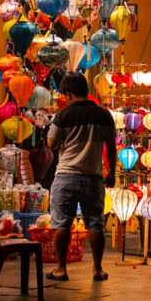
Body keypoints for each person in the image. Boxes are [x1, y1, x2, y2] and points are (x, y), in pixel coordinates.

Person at [46, 72, 115, 282]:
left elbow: (51, 143)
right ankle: (97, 269)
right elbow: (111, 147)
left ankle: (61, 269)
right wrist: (112, 171)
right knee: (95, 223)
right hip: (93, 177)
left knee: (62, 223)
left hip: (66, 176)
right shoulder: (104, 115)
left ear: (68, 94)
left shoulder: (63, 116)